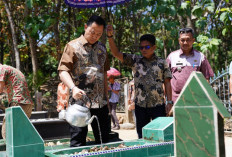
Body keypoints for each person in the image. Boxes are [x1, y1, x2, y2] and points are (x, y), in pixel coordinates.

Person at [107, 25, 173, 138]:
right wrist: (110, 36)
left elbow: (167, 82)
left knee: (159, 135)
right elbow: (116, 53)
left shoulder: (162, 63)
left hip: (158, 105)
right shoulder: (135, 60)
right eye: (141, 47)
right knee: (142, 136)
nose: (143, 50)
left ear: (154, 47)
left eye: (146, 47)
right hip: (140, 106)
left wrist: (169, 102)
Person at [58, 15, 110, 147]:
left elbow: (104, 72)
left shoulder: (102, 49)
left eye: (99, 34)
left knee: (104, 141)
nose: (95, 36)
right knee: (78, 142)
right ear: (86, 27)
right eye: (92, 32)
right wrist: (73, 88)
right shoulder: (72, 46)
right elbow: (63, 71)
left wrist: (106, 96)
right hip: (79, 103)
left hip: (100, 103)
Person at [166, 28, 214, 103]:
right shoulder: (172, 57)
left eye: (188, 40)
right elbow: (165, 80)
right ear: (179, 41)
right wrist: (167, 101)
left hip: (196, 100)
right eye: (182, 40)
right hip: (175, 100)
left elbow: (206, 79)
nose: (185, 43)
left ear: (193, 40)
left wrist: (205, 99)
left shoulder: (200, 57)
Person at [0, 64, 33, 139]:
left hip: (18, 103)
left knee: (6, 132)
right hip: (27, 104)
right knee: (19, 134)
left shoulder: (1, 69)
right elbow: (6, 89)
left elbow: (0, 89)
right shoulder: (9, 69)